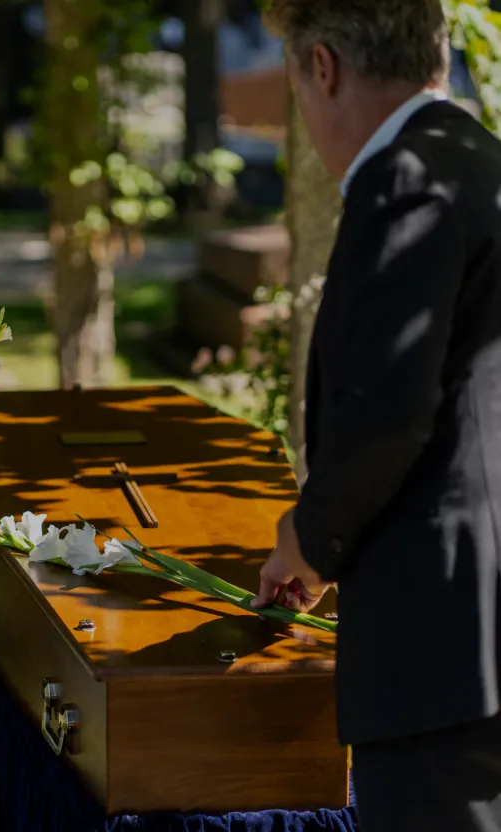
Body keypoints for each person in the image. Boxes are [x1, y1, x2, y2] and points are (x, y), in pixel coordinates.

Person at [251, 2, 501, 830]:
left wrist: (310, 539)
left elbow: (389, 411)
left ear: (323, 68)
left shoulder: (404, 176)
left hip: (441, 644)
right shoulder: (479, 158)